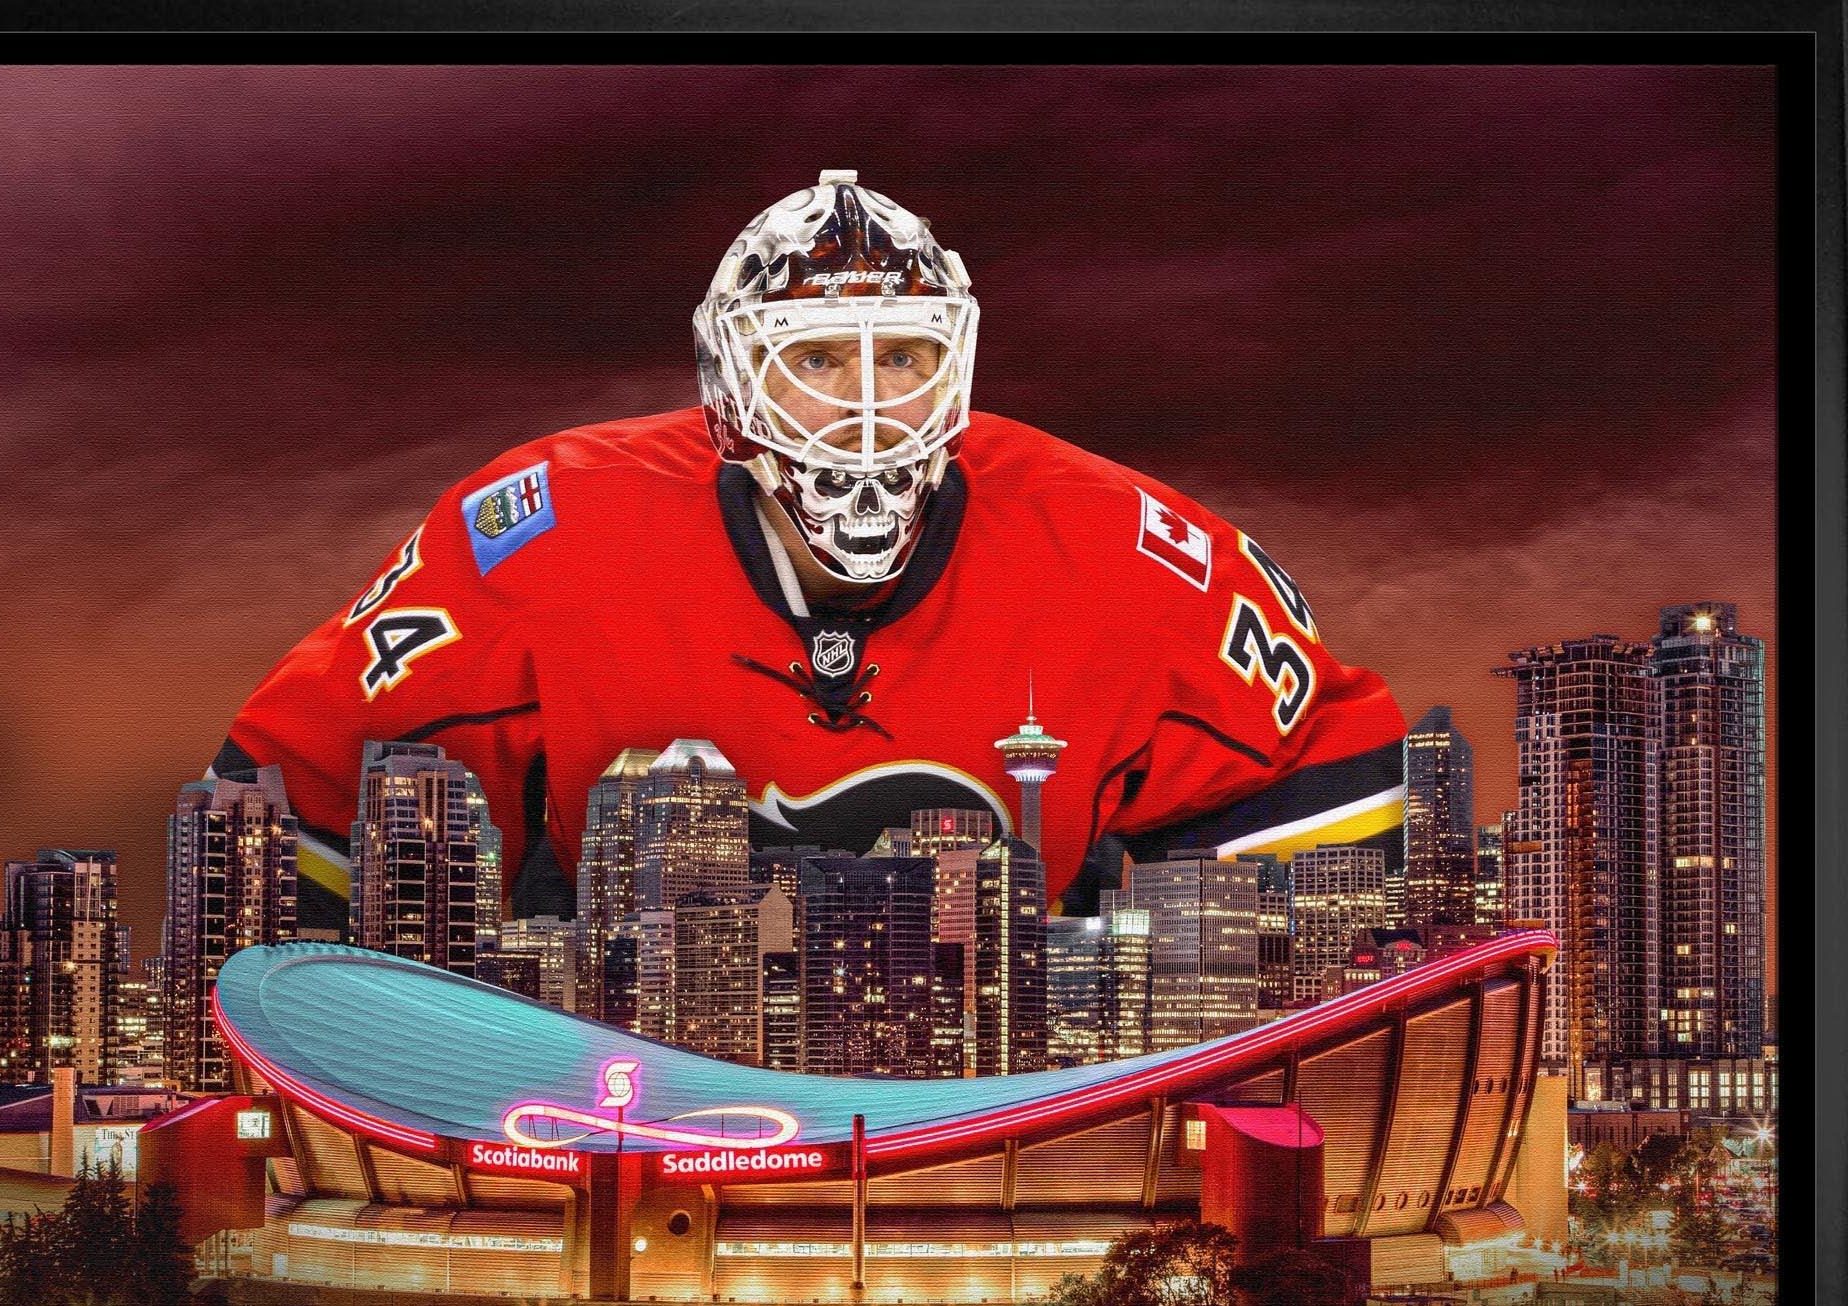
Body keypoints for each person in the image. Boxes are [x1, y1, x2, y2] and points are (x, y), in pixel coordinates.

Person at [214, 169, 1408, 934]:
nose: (871, 404)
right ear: (730, 378)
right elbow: (282, 804)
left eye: (904, 356)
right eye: (821, 358)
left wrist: (1135, 973)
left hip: (1006, 1093)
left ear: (960, 362)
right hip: (601, 1088)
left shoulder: (1122, 547)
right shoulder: (543, 530)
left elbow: (1336, 795)